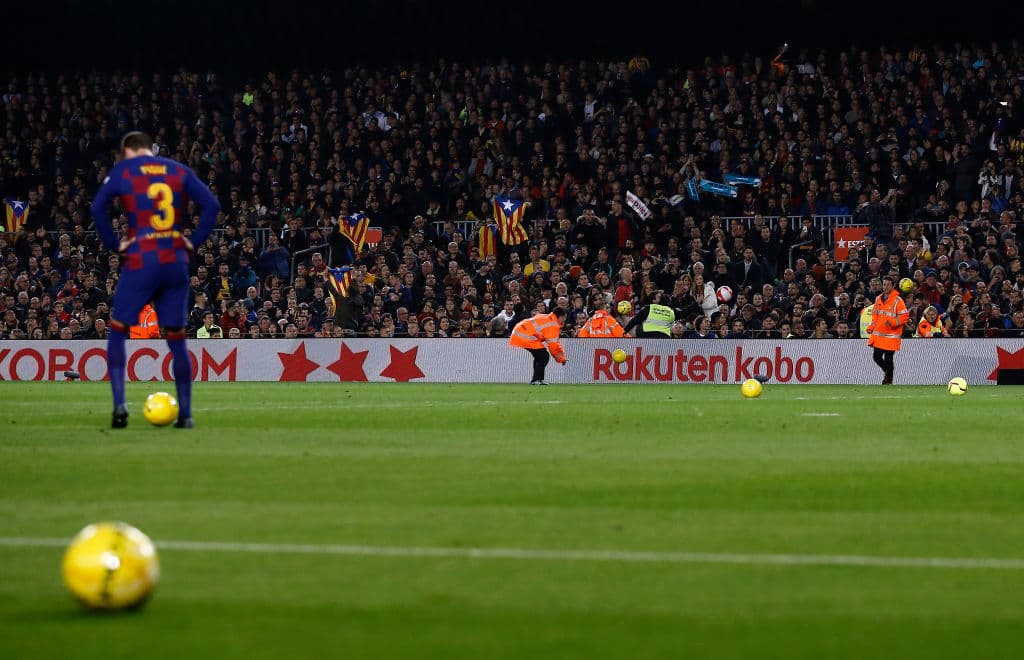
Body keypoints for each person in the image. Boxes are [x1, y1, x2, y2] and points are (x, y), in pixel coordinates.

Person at [91, 131, 220, 428]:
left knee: (118, 331)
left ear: (128, 150)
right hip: (175, 259)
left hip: (142, 257)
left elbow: (97, 208)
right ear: (151, 149)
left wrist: (114, 244)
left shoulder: (124, 170)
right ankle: (186, 414)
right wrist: (194, 241)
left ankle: (119, 405)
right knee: (176, 340)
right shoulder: (178, 170)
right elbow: (211, 205)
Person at [866, 275, 910, 384]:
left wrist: (892, 322)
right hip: (879, 335)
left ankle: (888, 379)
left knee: (888, 358)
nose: (885, 287)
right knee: (876, 357)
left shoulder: (897, 300)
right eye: (884, 284)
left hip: (891, 335)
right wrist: (871, 326)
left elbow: (904, 316)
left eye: (888, 285)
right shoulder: (878, 298)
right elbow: (875, 315)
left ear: (893, 286)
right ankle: (889, 373)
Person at [508, 306, 568, 385]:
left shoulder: (546, 317)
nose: (565, 320)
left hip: (519, 332)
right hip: (525, 336)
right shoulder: (553, 325)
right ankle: (536, 379)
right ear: (561, 316)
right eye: (564, 318)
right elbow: (553, 345)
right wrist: (561, 358)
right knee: (544, 356)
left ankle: (537, 379)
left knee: (540, 356)